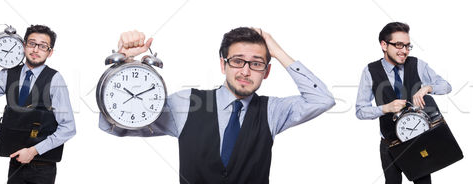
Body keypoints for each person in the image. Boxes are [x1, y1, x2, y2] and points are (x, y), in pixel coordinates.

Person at [98, 27, 335, 183]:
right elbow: (116, 126)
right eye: (238, 61)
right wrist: (125, 64)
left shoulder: (273, 111)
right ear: (223, 65)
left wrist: (278, 51)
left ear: (267, 71)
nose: (245, 71)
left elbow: (322, 100)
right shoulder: (186, 103)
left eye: (256, 63)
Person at [0, 25, 75, 184]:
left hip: (42, 166)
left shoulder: (55, 79)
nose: (36, 49)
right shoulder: (8, 74)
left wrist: (33, 151)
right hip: (15, 162)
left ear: (50, 52)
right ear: (23, 46)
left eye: (43, 46)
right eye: (32, 43)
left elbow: (68, 128)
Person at [354, 22, 452, 184]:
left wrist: (427, 87)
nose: (404, 51)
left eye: (407, 46)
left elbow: (446, 86)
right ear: (384, 45)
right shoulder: (370, 71)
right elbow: (360, 110)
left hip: (418, 140)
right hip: (390, 144)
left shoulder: (417, 64)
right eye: (399, 45)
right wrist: (386, 108)